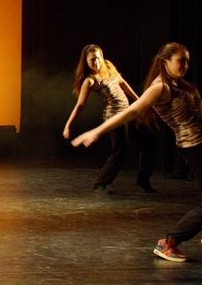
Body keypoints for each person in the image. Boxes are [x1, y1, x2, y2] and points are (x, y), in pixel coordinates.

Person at [72, 42, 202, 262]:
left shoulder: (179, 83)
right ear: (165, 62)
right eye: (180, 61)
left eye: (187, 61)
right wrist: (97, 131)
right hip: (196, 148)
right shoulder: (160, 88)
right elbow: (131, 111)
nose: (185, 65)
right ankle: (168, 242)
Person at [62, 44, 158, 193]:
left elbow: (123, 84)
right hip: (113, 117)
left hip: (127, 113)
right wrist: (68, 125)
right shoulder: (90, 81)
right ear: (86, 61)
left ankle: (143, 180)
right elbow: (80, 105)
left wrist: (140, 101)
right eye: (92, 60)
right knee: (120, 151)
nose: (96, 62)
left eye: (98, 58)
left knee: (149, 143)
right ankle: (100, 184)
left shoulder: (108, 67)